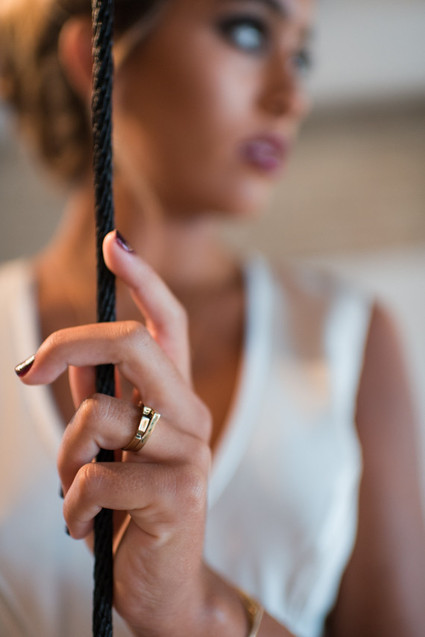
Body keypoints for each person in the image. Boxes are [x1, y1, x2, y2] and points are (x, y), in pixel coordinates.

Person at [0, 0, 424, 635]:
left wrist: (201, 612)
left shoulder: (346, 338)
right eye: (248, 32)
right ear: (97, 60)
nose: (293, 97)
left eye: (301, 54)